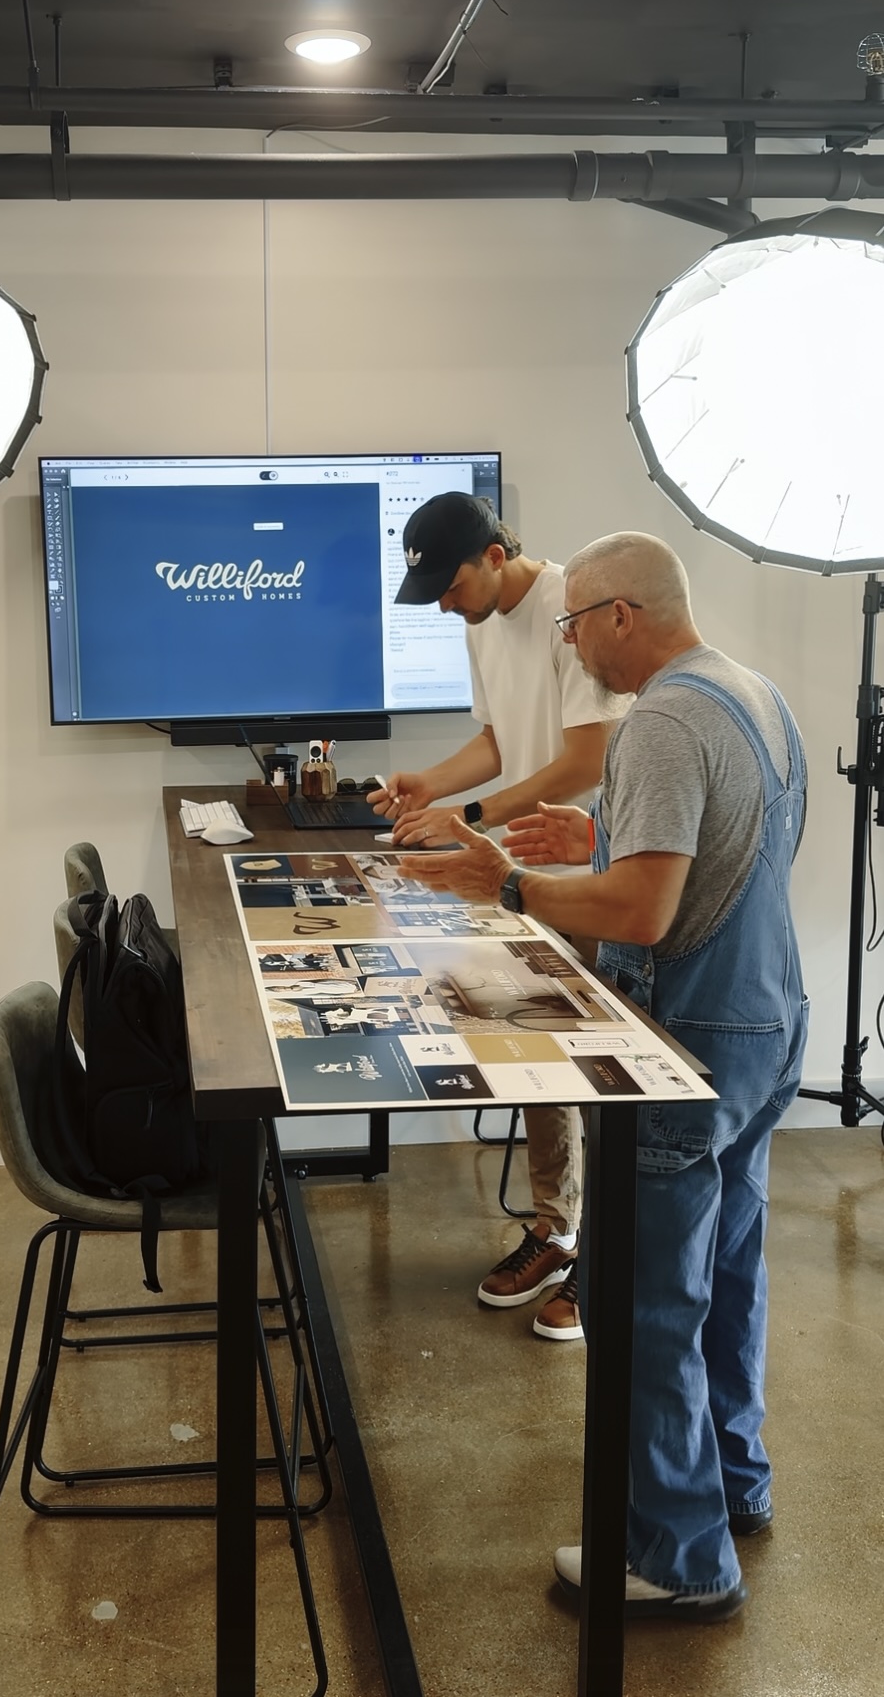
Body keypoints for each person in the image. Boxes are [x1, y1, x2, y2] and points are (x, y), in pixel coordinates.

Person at [396, 530, 808, 1621]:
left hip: (689, 1047)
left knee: (645, 1301)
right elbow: (727, 850)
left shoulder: (665, 717)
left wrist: (514, 886)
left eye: (578, 625)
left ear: (623, 615)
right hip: (767, 1024)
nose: (571, 646)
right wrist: (600, 830)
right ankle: (735, 1488)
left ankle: (679, 1562)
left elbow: (642, 912)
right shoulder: (752, 692)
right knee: (729, 1274)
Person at [373, 490, 621, 1337]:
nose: (443, 604)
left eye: (449, 586)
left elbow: (584, 761)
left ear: (493, 556)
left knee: (598, 1063)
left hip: (582, 859)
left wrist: (473, 821)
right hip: (516, 867)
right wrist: (431, 787)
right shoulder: (481, 623)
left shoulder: (569, 610)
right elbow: (498, 741)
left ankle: (606, 1259)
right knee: (534, 1049)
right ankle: (557, 1229)